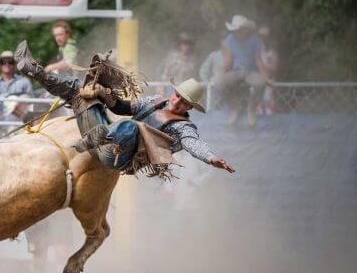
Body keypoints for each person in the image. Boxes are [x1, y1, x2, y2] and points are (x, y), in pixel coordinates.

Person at [15, 40, 235, 176]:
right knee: (78, 87)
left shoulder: (182, 128)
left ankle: (100, 136)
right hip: (103, 138)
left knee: (131, 127)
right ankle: (35, 71)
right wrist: (104, 94)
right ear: (174, 92)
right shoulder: (153, 102)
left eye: (184, 101)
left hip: (117, 158)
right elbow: (122, 107)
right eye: (178, 95)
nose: (177, 101)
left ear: (190, 107)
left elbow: (193, 144)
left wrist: (211, 158)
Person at [214, 15, 271, 127]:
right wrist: (220, 74)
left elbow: (258, 60)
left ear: (246, 29)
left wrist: (266, 77)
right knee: (218, 84)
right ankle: (235, 109)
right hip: (236, 72)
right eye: (235, 30)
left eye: (240, 29)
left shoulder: (255, 40)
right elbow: (228, 60)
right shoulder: (230, 39)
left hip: (251, 72)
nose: (237, 32)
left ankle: (251, 110)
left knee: (261, 83)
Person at [0, 50, 32, 122]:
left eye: (10, 62)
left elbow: (31, 102)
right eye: (3, 62)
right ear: (0, 64)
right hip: (0, 122)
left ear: (14, 64)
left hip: (20, 123)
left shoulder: (24, 82)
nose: (7, 64)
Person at [257, 26, 278, 115]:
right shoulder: (255, 51)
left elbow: (274, 67)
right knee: (257, 109)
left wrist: (262, 66)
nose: (262, 38)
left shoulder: (272, 52)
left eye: (265, 36)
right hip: (256, 82)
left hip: (269, 82)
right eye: (260, 36)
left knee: (269, 109)